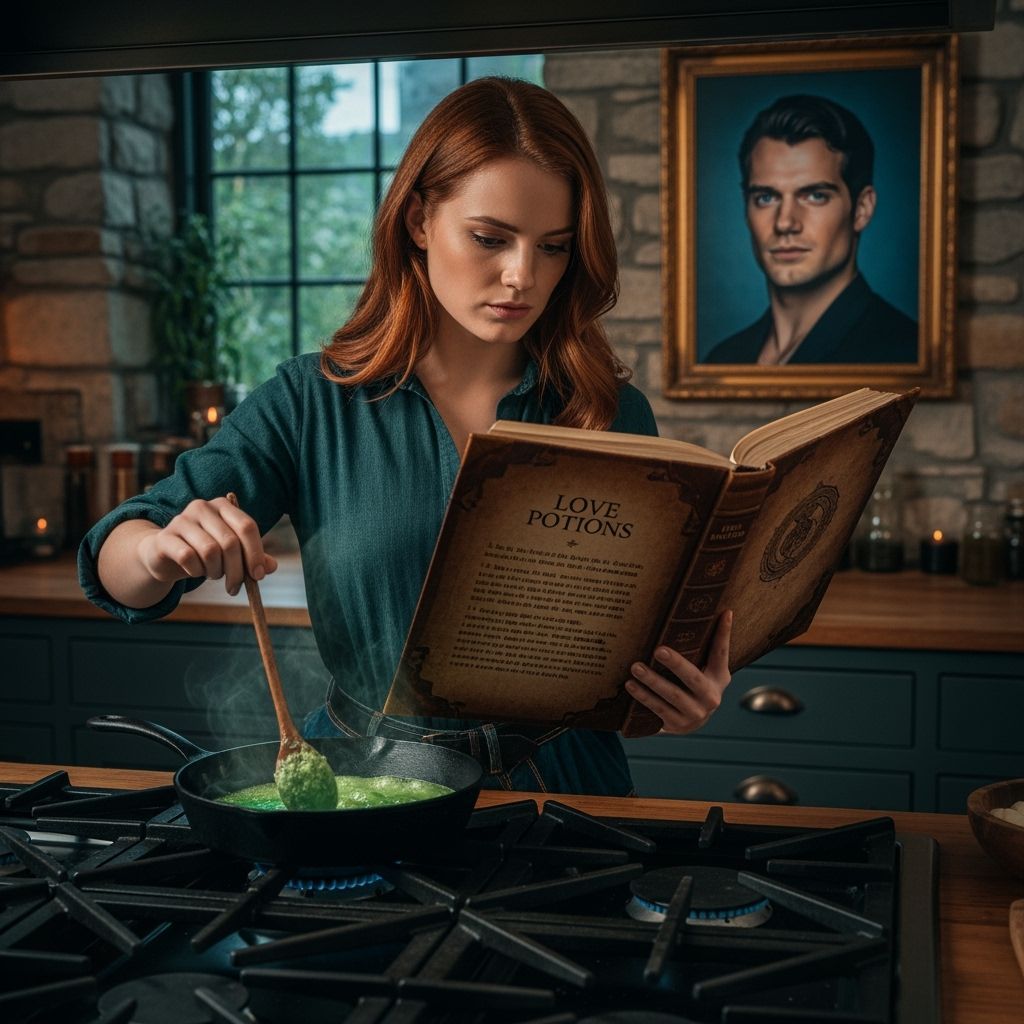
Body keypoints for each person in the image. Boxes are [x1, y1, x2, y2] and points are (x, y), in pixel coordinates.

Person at [79, 77, 733, 797]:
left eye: (553, 247)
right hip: (366, 785)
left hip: (568, 787)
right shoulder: (311, 402)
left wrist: (679, 695)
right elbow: (114, 560)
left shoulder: (611, 411)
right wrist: (160, 549)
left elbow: (638, 642)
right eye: (489, 238)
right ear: (419, 220)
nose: (523, 275)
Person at [704, 93, 918, 366]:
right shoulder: (723, 360)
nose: (785, 223)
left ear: (862, 209)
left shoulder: (905, 354)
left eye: (815, 196)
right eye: (766, 198)